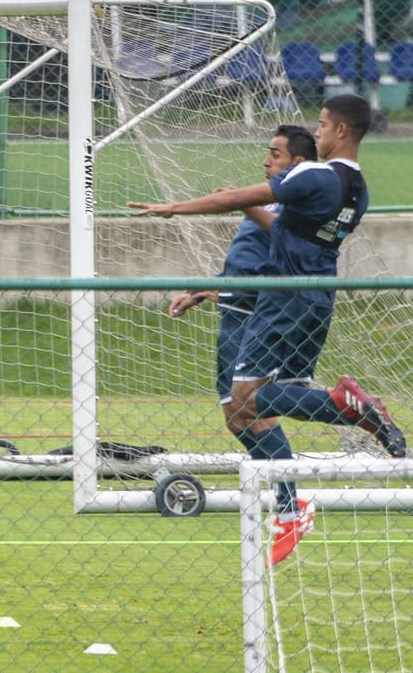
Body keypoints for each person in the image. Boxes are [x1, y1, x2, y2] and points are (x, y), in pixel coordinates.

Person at [128, 95, 405, 565]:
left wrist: (175, 207)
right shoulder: (359, 190)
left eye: (322, 125)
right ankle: (297, 496)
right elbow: (284, 228)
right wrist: (207, 286)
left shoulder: (313, 174)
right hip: (317, 297)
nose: (318, 132)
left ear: (340, 130)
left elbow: (240, 200)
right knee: (263, 403)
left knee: (244, 402)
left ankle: (343, 411)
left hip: (283, 298)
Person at [167, 125, 316, 438]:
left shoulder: (298, 209)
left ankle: (347, 404)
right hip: (235, 309)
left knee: (248, 407)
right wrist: (197, 293)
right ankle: (283, 473)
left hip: (254, 317)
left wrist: (241, 203)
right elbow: (244, 263)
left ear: (298, 162)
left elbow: (283, 264)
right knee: (238, 416)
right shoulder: (267, 206)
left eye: (275, 155)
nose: (266, 161)